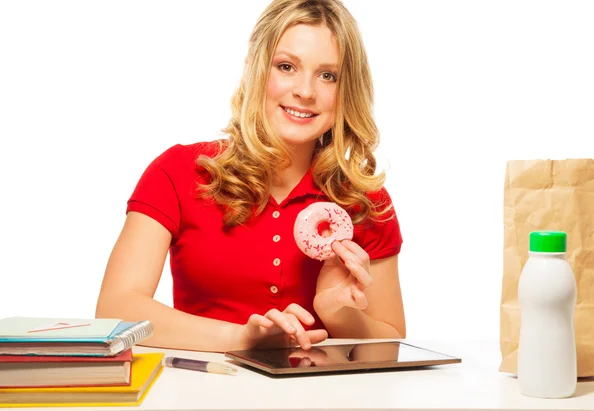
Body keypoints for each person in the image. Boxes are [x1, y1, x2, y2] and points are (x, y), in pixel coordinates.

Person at [96, 0, 406, 353]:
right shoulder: (179, 172)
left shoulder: (366, 201)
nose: (305, 91)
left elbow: (391, 346)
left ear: (347, 89)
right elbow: (115, 310)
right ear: (253, 71)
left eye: (327, 75)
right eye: (286, 66)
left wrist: (336, 312)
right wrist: (239, 338)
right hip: (203, 391)